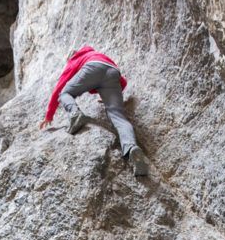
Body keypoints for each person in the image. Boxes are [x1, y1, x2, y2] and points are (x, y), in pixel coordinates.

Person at [39, 45, 149, 176]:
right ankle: (132, 148)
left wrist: (49, 115)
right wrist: (108, 97)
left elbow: (60, 87)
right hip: (113, 73)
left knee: (64, 93)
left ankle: (75, 114)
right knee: (118, 117)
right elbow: (123, 82)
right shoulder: (97, 54)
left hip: (92, 68)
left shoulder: (75, 59)